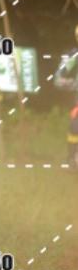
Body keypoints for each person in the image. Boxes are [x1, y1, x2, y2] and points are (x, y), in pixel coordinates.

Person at [54, 25, 78, 169]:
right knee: (75, 126)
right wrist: (73, 84)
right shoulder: (74, 55)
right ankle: (72, 158)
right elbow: (58, 79)